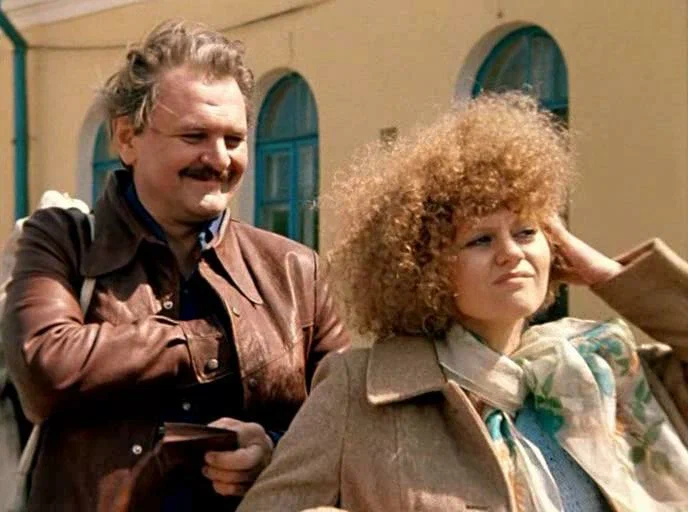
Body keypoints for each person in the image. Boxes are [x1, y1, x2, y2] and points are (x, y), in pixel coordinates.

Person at [237, 92, 688, 511]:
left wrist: (608, 276)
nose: (511, 253)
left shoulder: (610, 366)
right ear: (425, 267)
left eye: (526, 232)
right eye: (480, 239)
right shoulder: (357, 391)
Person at [1, 20, 348, 511]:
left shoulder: (295, 270)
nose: (219, 158)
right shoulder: (64, 241)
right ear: (127, 138)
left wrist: (272, 450)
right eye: (194, 135)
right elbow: (44, 370)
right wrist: (206, 343)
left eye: (234, 139)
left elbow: (344, 426)